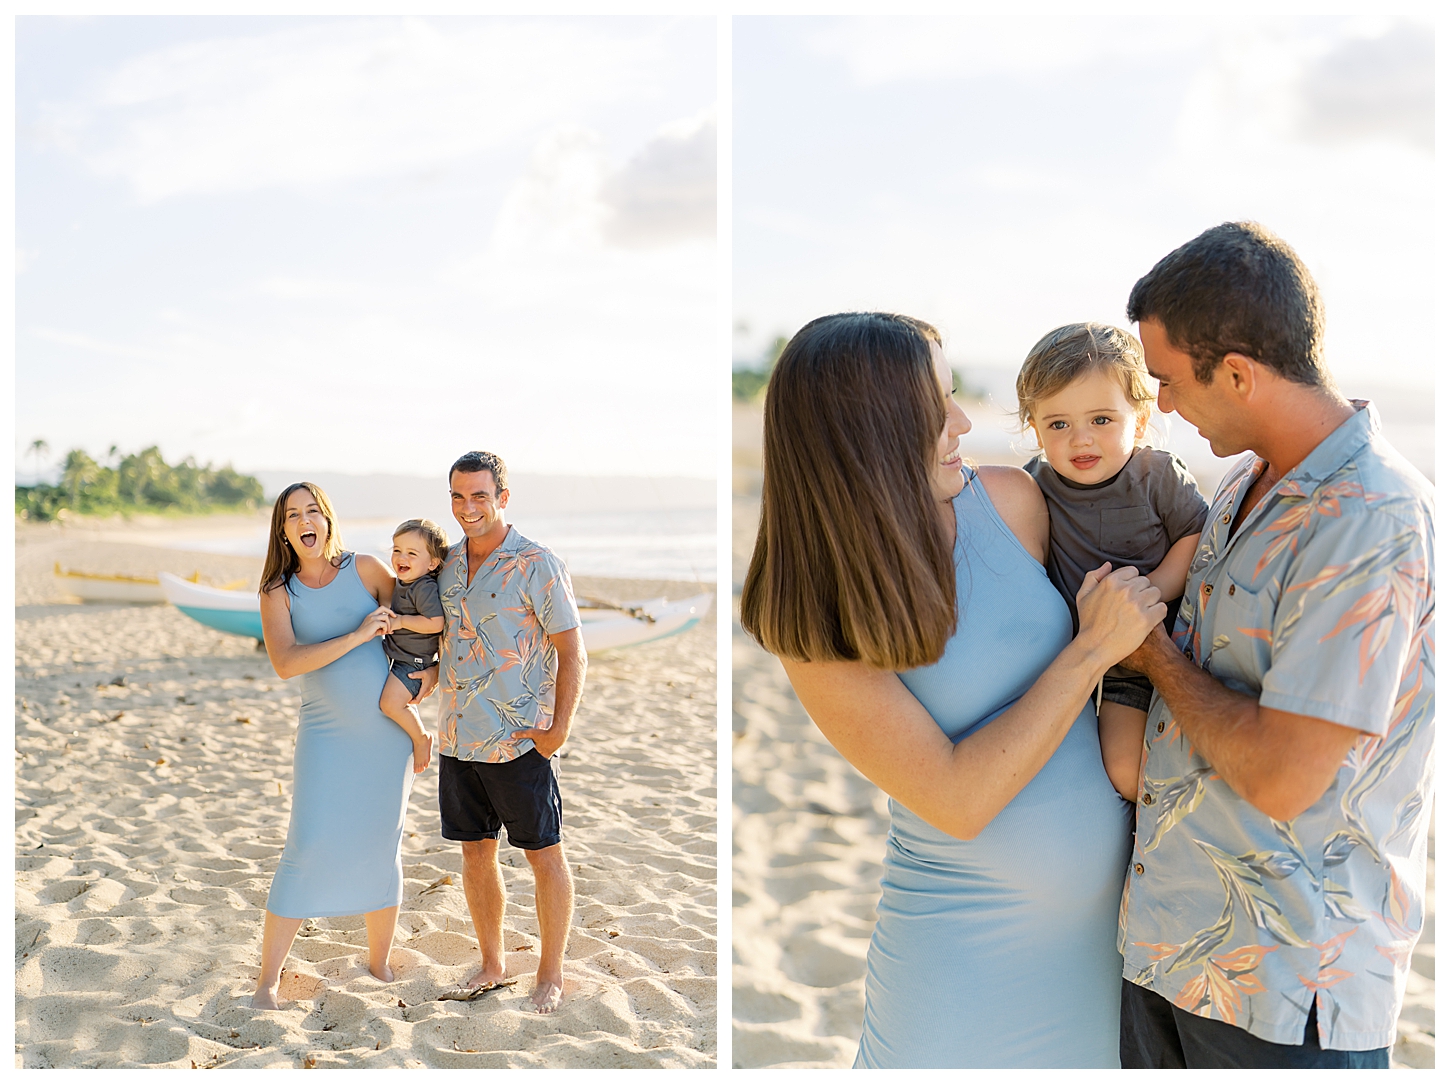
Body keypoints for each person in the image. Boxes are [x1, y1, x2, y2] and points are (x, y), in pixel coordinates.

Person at [739, 312, 1166, 1067]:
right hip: (962, 964)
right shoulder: (813, 611)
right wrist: (1092, 652)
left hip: (1105, 952)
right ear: (869, 426)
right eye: (936, 406)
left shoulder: (1010, 503)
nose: (964, 422)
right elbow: (957, 798)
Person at [1115, 222, 1435, 1069]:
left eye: (1171, 382)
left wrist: (1153, 657)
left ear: (1239, 374)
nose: (1166, 408)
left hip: (1286, 994)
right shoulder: (1241, 483)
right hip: (1170, 957)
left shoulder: (1371, 518)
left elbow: (1283, 776)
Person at [413, 451, 588, 1014]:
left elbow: (571, 647)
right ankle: (492, 963)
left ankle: (551, 974)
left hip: (519, 741)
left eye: (479, 496)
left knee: (544, 856)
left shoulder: (537, 562)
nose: (468, 507)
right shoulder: (446, 565)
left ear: (503, 497)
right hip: (458, 738)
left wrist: (560, 727)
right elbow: (447, 637)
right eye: (458, 497)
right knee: (474, 855)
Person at [1015, 323, 1208, 799]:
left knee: (1133, 772)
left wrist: (1150, 592)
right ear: (1036, 430)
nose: (1081, 440)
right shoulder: (1033, 485)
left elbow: (1197, 535)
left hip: (1153, 649)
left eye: (1101, 420)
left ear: (1138, 422)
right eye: (1059, 424)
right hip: (1076, 655)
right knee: (1093, 768)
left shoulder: (1156, 475)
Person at [251, 482, 416, 1009]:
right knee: (307, 844)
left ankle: (379, 963)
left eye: (313, 510)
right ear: (284, 530)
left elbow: (416, 631)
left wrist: (424, 681)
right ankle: (267, 981)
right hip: (323, 732)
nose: (305, 520)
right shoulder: (277, 589)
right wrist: (356, 636)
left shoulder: (366, 569)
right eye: (293, 514)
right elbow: (286, 663)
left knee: (381, 841)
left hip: (385, 735)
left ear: (327, 519)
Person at [378, 518, 448, 774]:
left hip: (414, 663)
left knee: (391, 704)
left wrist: (402, 622)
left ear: (432, 563)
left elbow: (436, 622)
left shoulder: (424, 587)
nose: (400, 557)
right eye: (397, 550)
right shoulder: (402, 583)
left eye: (411, 553)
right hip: (401, 658)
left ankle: (421, 737)